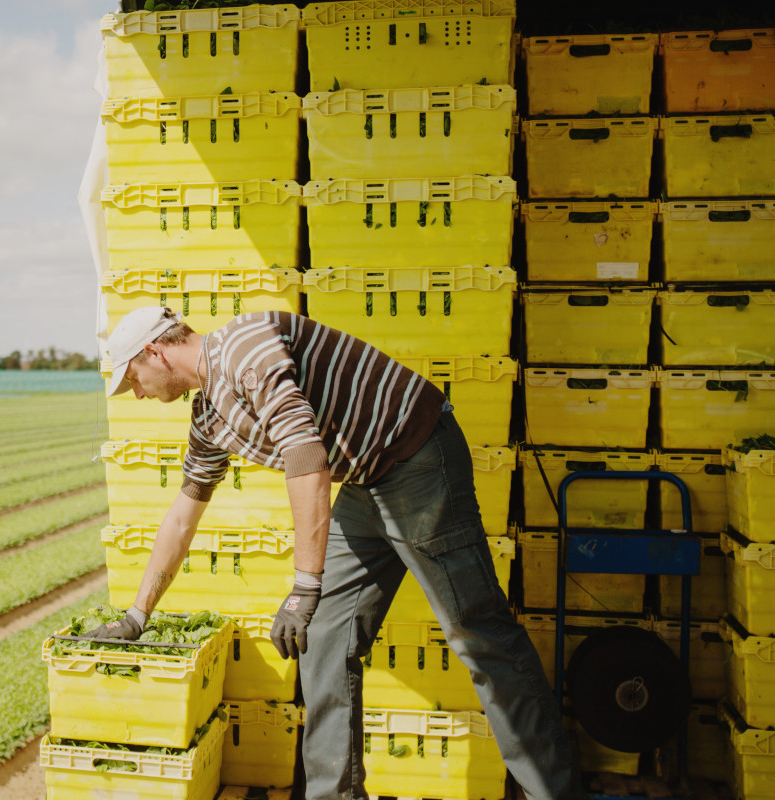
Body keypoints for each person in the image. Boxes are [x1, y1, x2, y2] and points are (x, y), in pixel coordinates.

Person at [88, 305, 581, 800]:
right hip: (368, 479)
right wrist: (136, 615)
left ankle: (554, 791)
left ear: (155, 351)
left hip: (415, 453)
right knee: (324, 635)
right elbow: (181, 516)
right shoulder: (210, 416)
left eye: (132, 377)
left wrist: (305, 586)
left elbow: (307, 457)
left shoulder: (245, 346)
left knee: (476, 631)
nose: (137, 392)